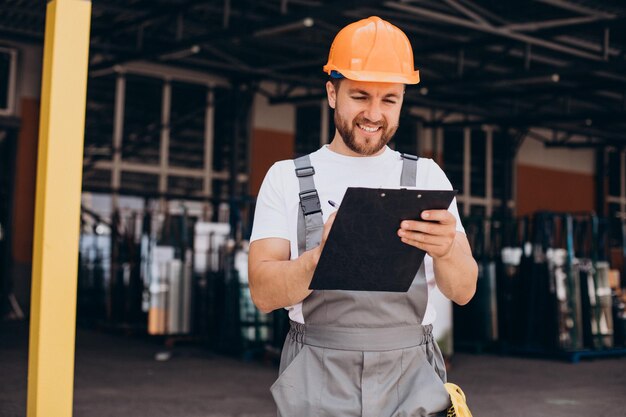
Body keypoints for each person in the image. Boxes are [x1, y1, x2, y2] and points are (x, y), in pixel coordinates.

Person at [248, 16, 478, 417]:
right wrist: (322, 258)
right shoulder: (286, 178)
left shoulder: (426, 176)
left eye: (389, 99)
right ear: (332, 93)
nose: (374, 114)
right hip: (317, 371)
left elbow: (463, 291)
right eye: (360, 96)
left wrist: (447, 252)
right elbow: (264, 293)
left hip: (411, 375)